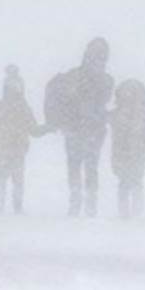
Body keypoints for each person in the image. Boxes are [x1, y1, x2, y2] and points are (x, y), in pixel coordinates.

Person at [45, 37, 115, 218]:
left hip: (76, 129)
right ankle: (89, 205)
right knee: (90, 167)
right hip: (90, 130)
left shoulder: (73, 76)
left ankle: (77, 203)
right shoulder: (106, 80)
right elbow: (102, 101)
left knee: (76, 166)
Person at [0, 65, 46, 215]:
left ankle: (4, 206)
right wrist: (47, 128)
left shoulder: (2, 106)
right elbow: (33, 129)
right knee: (13, 176)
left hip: (8, 145)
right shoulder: (20, 107)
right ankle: (11, 207)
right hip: (15, 145)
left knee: (6, 175)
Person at [109, 79, 145, 219]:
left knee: (127, 183)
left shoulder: (117, 115)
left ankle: (130, 212)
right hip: (132, 155)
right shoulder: (140, 116)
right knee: (133, 183)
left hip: (126, 156)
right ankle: (133, 212)